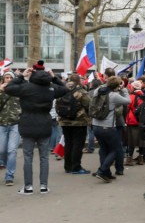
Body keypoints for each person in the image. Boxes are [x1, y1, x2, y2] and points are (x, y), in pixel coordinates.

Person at [5, 62, 67, 194]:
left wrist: (21, 76)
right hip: (45, 124)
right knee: (44, 157)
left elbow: (8, 88)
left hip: (27, 124)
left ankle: (28, 187)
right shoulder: (51, 88)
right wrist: (54, 77)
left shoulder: (26, 88)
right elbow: (65, 88)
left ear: (31, 73)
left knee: (28, 156)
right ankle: (43, 186)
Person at [91, 76, 131, 183]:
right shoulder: (114, 95)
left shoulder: (97, 91)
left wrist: (108, 84)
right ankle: (102, 171)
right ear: (117, 86)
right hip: (108, 127)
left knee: (104, 149)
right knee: (115, 149)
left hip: (95, 125)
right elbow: (128, 101)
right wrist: (124, 89)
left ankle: (106, 173)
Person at [58, 74, 91, 174]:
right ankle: (76, 167)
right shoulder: (81, 92)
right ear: (79, 81)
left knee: (68, 144)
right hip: (79, 122)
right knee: (78, 144)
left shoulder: (62, 91)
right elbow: (88, 105)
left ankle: (67, 167)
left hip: (64, 122)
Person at [0, 71, 21, 186]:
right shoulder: (1, 91)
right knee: (1, 150)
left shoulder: (18, 91)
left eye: (10, 77)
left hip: (15, 124)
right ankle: (6, 165)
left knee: (11, 151)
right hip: (2, 124)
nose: (8, 79)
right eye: (6, 77)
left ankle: (9, 175)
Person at [125, 80, 145, 166]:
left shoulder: (131, 97)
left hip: (132, 121)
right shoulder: (144, 96)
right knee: (142, 141)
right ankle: (141, 158)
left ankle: (129, 159)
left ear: (133, 87)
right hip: (142, 122)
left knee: (131, 141)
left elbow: (127, 108)